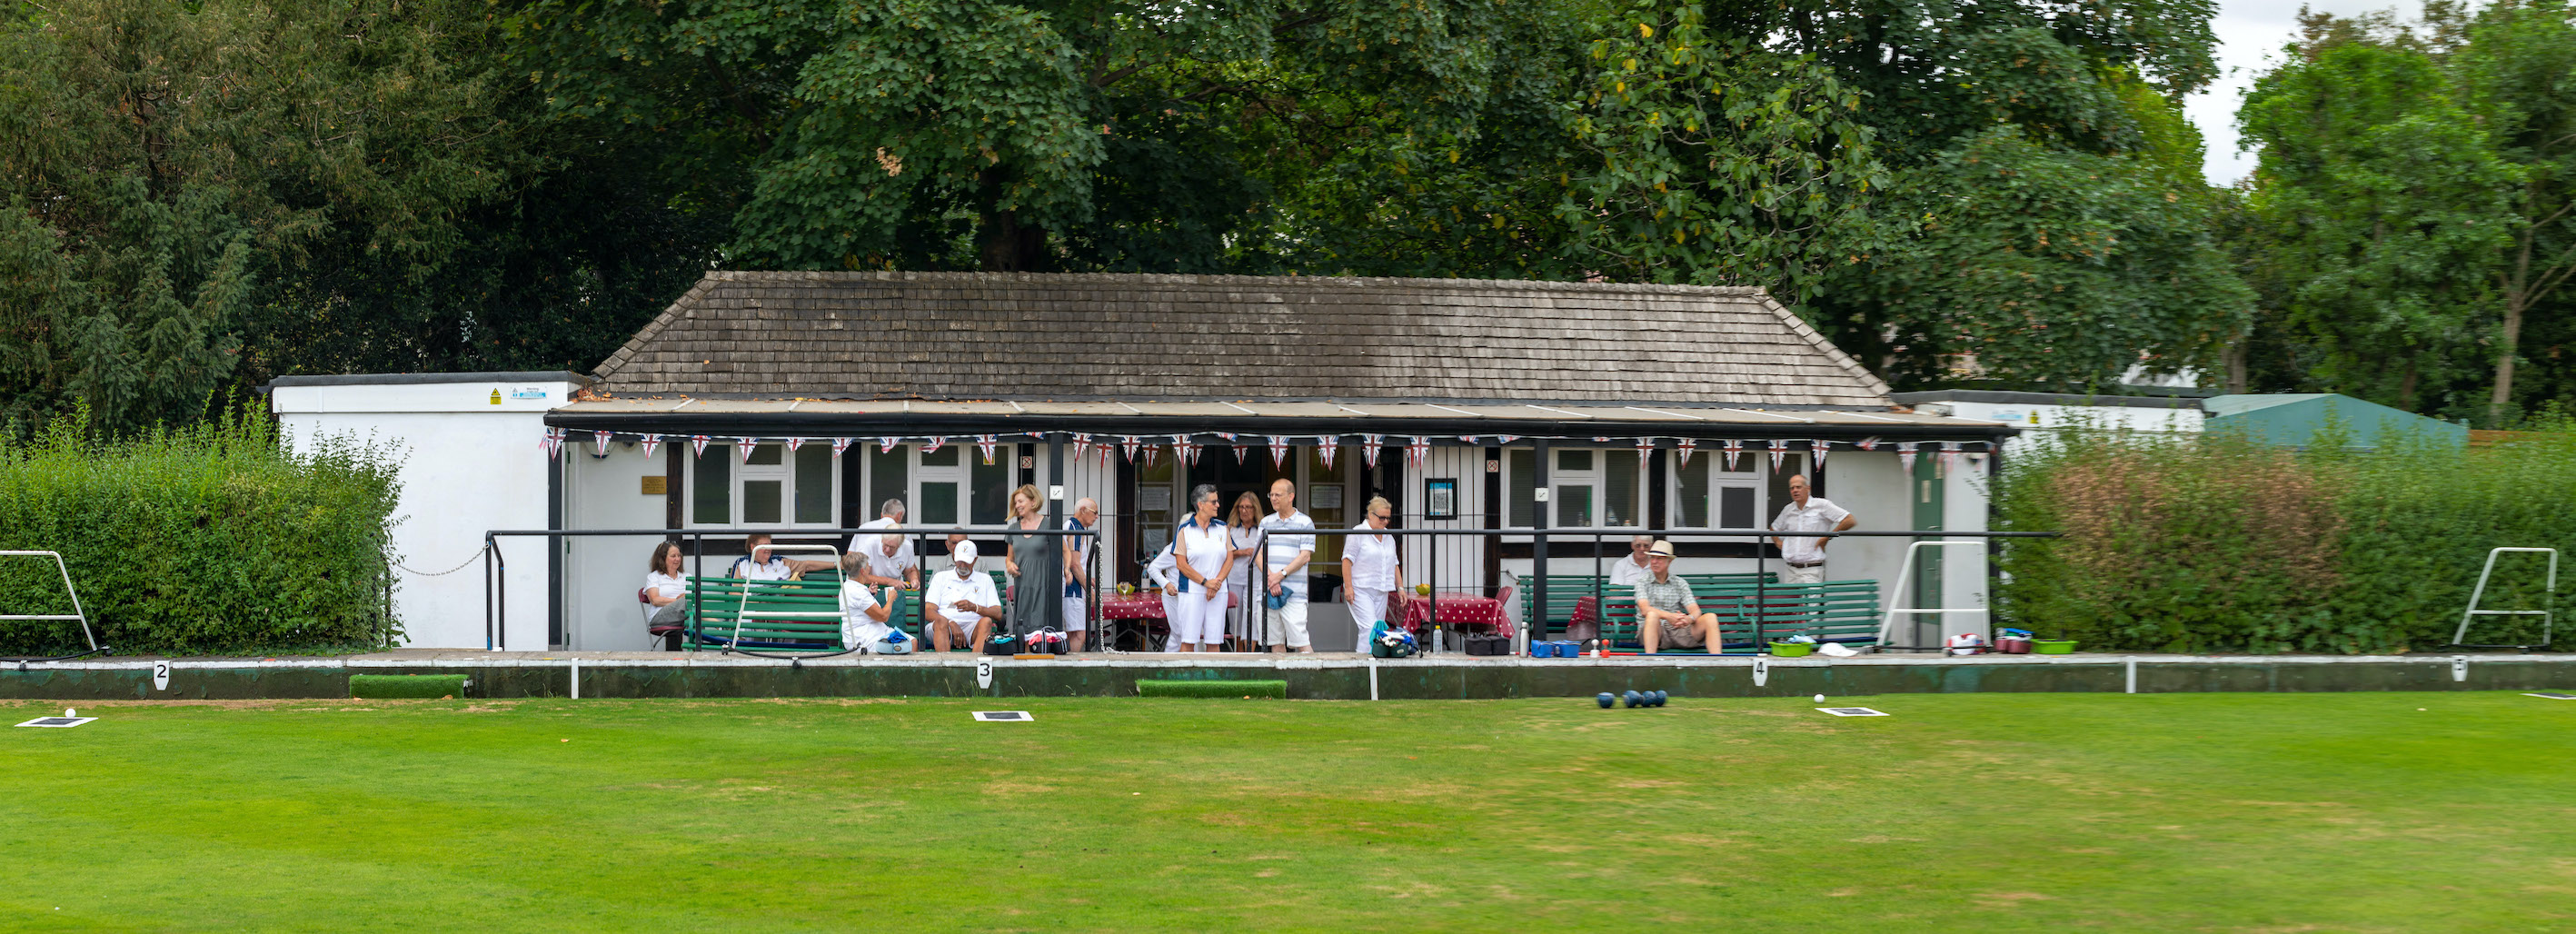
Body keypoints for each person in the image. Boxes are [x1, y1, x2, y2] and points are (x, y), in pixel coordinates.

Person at [1340, 495, 1411, 651]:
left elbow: (1394, 564)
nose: (1385, 522)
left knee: (1378, 630)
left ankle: (1373, 663)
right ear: (1371, 515)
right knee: (1369, 628)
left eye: (1388, 518)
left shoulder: (1388, 536)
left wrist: (1400, 588)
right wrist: (1348, 587)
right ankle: (1363, 665)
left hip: (1382, 589)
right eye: (1382, 518)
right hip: (1360, 588)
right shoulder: (1358, 533)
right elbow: (1346, 560)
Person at [1170, 484, 1233, 652]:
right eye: (1214, 502)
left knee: (1214, 641)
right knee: (1188, 640)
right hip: (1192, 591)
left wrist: (1216, 583)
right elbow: (1181, 564)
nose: (1218, 505)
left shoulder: (1222, 528)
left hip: (1218, 591)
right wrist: (1206, 583)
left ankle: (1212, 679)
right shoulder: (1184, 530)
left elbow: (1229, 558)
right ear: (1201, 504)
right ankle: (1185, 679)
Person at [1258, 478, 1317, 652]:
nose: (1273, 498)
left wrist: (1279, 575)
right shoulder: (1265, 522)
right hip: (1269, 590)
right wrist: (1271, 579)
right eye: (1271, 494)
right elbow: (1258, 555)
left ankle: (1311, 678)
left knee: (1301, 641)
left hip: (1294, 593)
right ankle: (1282, 679)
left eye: (1278, 495)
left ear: (1291, 496)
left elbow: (1305, 556)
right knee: (1275, 642)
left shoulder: (1305, 522)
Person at [1635, 541, 1723, 653]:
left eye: (1659, 558)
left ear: (1669, 561)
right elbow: (1644, 610)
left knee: (1710, 618)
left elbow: (1695, 611)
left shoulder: (1679, 582)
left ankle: (1716, 662)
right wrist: (1669, 616)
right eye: (1652, 558)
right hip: (1653, 630)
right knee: (1652, 616)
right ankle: (1650, 663)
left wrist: (1688, 619)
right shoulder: (1642, 582)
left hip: (1677, 629)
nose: (1654, 562)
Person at [1002, 484, 1066, 638]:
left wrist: (1067, 570)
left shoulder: (1049, 525)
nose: (1017, 506)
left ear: (1033, 501)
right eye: (1015, 502)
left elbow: (1065, 551)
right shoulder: (1013, 529)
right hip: (1023, 585)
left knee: (1044, 634)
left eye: (1020, 501)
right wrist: (1010, 565)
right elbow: (1009, 558)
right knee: (1023, 632)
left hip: (1044, 586)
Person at [1769, 473, 1855, 585]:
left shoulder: (1822, 505)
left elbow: (1849, 520)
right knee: (1791, 603)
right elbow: (1773, 528)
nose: (1795, 490)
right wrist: (1778, 542)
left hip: (1812, 569)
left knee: (1812, 602)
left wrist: (1827, 537)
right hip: (1791, 569)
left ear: (1807, 488)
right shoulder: (1788, 509)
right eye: (1792, 488)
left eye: (1798, 487)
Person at [923, 541, 1003, 651]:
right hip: (943, 627)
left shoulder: (985, 580)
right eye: (960, 561)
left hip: (973, 628)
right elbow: (928, 611)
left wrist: (974, 607)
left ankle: (975, 665)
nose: (962, 565)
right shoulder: (940, 577)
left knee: (986, 622)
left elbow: (998, 613)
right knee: (941, 622)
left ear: (975, 560)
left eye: (967, 562)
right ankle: (945, 666)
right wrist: (950, 622)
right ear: (954, 557)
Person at [836, 551, 911, 654]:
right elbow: (883, 617)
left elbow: (858, 608)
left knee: (909, 641)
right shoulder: (859, 592)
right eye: (868, 566)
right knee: (911, 643)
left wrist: (869, 594)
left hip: (858, 635)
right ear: (862, 571)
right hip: (865, 639)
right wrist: (890, 599)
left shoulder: (847, 586)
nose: (869, 569)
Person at [1224, 492, 1263, 648]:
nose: (1244, 511)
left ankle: (1250, 656)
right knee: (1236, 619)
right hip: (1234, 577)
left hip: (1255, 579)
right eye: (1241, 507)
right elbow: (1223, 554)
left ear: (1255, 509)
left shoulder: (1261, 529)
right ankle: (1238, 656)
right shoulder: (1230, 529)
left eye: (1248, 507)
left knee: (1252, 617)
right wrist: (1243, 552)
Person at [850, 500, 918, 588]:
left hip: (895, 589)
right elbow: (862, 575)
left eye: (892, 547)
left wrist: (914, 580)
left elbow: (910, 571)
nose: (887, 549)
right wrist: (890, 581)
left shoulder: (907, 545)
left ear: (900, 545)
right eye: (885, 545)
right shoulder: (870, 543)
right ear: (881, 539)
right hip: (869, 588)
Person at [1062, 497, 1098, 652]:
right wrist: (1089, 590)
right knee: (1080, 634)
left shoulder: (1073, 526)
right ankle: (1068, 668)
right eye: (1095, 513)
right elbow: (1074, 564)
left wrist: (1087, 579)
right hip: (1072, 589)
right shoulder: (1075, 528)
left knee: (1071, 633)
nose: (1096, 517)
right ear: (1083, 510)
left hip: (1070, 587)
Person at [642, 541, 690, 651]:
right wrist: (679, 601)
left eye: (679, 556)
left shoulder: (687, 576)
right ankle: (718, 627)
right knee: (689, 601)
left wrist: (684, 600)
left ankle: (697, 650)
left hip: (684, 617)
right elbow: (654, 600)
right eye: (673, 556)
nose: (677, 559)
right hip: (659, 618)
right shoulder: (654, 577)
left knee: (695, 601)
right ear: (663, 558)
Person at [730, 532, 833, 581]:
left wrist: (836, 564)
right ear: (753, 547)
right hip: (749, 613)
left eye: (770, 546)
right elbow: (733, 592)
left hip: (776, 614)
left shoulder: (780, 562)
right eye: (764, 546)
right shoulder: (742, 564)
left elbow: (807, 565)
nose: (768, 549)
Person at [1145, 539, 1183, 651]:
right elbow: (1152, 568)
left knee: (1183, 634)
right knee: (1179, 634)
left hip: (1188, 596)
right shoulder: (1173, 548)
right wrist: (1166, 584)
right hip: (1174, 596)